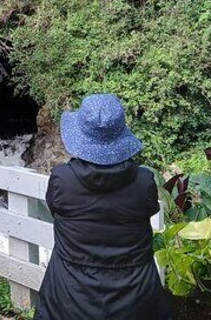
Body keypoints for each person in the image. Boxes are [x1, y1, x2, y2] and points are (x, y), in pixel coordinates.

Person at [34, 94, 171, 320]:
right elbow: (149, 209)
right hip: (134, 298)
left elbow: (55, 209)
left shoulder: (62, 180)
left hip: (70, 297)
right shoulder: (144, 181)